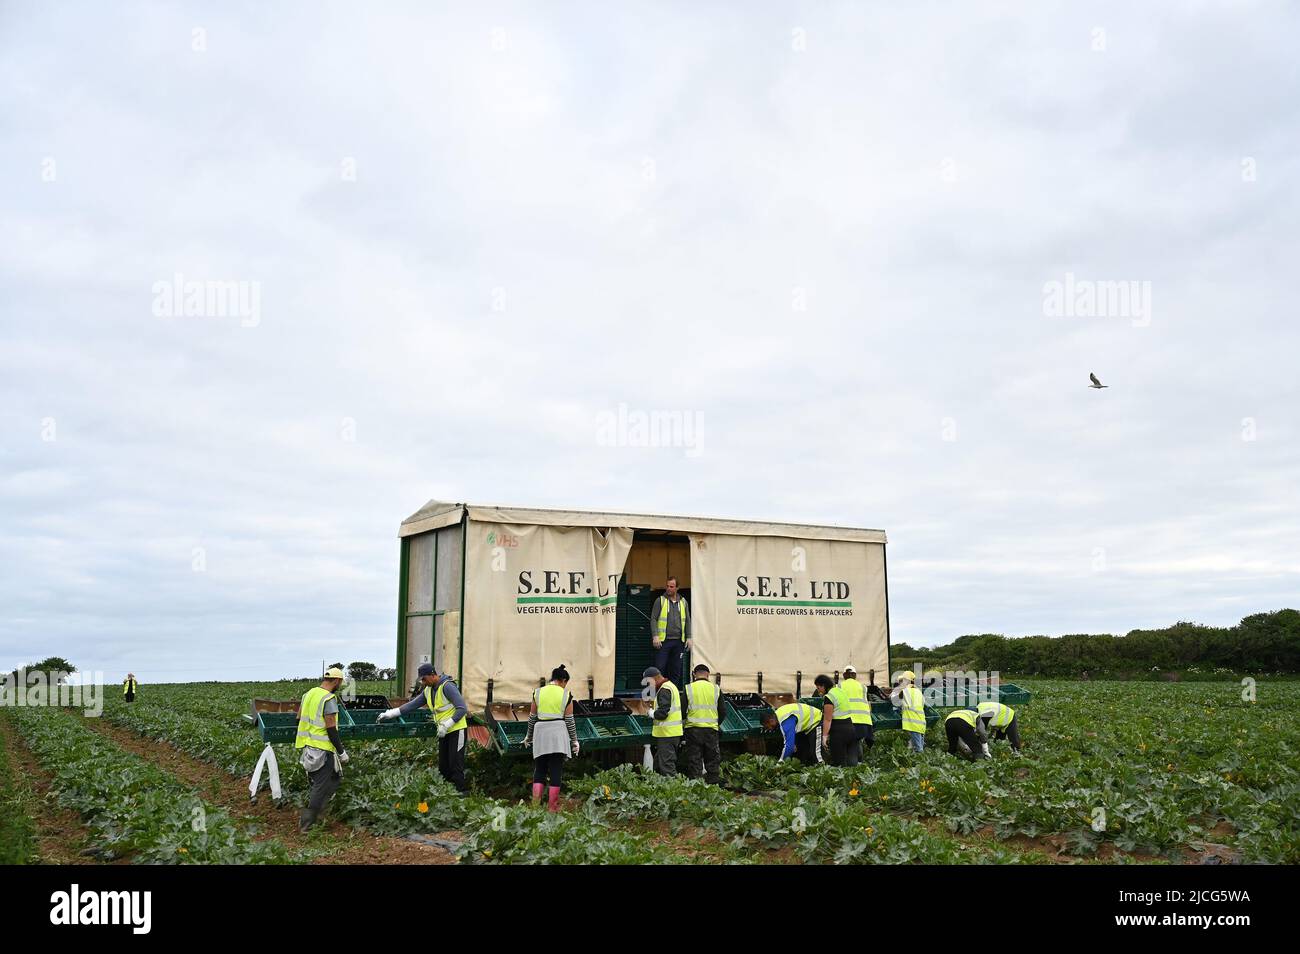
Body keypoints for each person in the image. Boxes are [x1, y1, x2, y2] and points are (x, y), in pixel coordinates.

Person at [377, 662, 470, 793]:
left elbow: (462, 709)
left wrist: (447, 724)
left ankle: (462, 794)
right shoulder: (428, 691)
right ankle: (447, 793)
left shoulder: (447, 686)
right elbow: (411, 705)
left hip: (456, 729)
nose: (423, 682)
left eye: (424, 679)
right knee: (444, 766)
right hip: (443, 731)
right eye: (421, 679)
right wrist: (390, 713)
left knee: (455, 764)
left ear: (433, 675)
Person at [296, 667, 350, 831]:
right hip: (322, 750)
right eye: (340, 682)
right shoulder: (328, 699)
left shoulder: (308, 694)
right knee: (320, 786)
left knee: (334, 779)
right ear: (336, 681)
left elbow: (298, 717)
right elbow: (331, 728)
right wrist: (341, 752)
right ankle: (307, 824)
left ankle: (320, 814)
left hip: (309, 748)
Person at [523, 665, 580, 811]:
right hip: (558, 734)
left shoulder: (538, 692)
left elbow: (532, 717)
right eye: (565, 683)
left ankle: (535, 806)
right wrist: (574, 740)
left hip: (540, 733)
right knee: (556, 770)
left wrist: (528, 737)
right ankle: (552, 808)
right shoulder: (566, 695)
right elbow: (569, 720)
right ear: (563, 680)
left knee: (540, 769)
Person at [682, 663, 722, 784]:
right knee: (712, 759)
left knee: (694, 759)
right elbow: (723, 711)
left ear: (694, 674)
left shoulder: (688, 688)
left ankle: (696, 785)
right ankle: (713, 785)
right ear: (708, 675)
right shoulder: (716, 689)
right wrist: (716, 723)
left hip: (693, 730)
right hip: (711, 730)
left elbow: (682, 710)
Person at [649, 577, 690, 688]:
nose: (668, 588)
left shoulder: (683, 602)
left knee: (676, 670)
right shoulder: (660, 600)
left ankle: (673, 693)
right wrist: (655, 636)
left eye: (671, 586)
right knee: (660, 668)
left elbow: (687, 620)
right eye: (667, 586)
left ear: (677, 588)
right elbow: (653, 619)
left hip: (678, 642)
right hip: (663, 642)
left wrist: (689, 637)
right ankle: (658, 693)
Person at [643, 666, 683, 777]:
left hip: (667, 734)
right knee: (659, 764)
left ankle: (674, 790)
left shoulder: (665, 689)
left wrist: (651, 713)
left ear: (654, 679)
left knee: (667, 766)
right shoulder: (670, 686)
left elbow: (662, 713)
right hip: (670, 734)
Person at [815, 674, 859, 766]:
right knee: (852, 762)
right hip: (850, 727)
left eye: (818, 688)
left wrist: (824, 737)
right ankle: (854, 779)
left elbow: (827, 719)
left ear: (823, 686)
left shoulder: (829, 697)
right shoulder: (840, 691)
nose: (818, 691)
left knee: (839, 763)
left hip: (838, 731)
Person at [762, 701, 823, 765]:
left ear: (771, 721)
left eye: (767, 727)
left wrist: (780, 763)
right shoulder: (778, 715)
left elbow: (789, 747)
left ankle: (822, 769)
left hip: (816, 720)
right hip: (805, 724)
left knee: (815, 753)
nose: (768, 729)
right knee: (802, 750)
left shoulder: (785, 722)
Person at [840, 665, 874, 753]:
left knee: (850, 745)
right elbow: (868, 704)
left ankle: (854, 763)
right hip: (864, 721)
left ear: (844, 675)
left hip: (847, 721)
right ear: (855, 675)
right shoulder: (863, 687)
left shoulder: (839, 687)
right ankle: (858, 763)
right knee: (856, 742)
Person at [891, 670, 927, 751]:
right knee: (919, 746)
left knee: (918, 749)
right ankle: (920, 760)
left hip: (913, 722)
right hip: (921, 721)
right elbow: (922, 703)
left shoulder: (905, 691)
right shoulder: (918, 691)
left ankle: (921, 762)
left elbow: (893, 700)